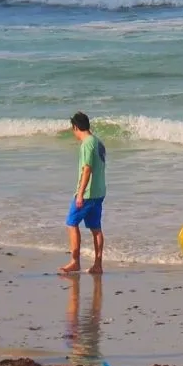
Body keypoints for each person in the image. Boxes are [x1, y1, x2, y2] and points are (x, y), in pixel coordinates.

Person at [60, 112, 107, 276]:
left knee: (71, 223)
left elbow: (87, 169)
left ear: (75, 127)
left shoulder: (87, 144)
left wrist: (80, 194)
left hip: (87, 193)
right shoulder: (98, 142)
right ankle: (98, 265)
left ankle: (75, 262)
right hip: (99, 192)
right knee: (96, 228)